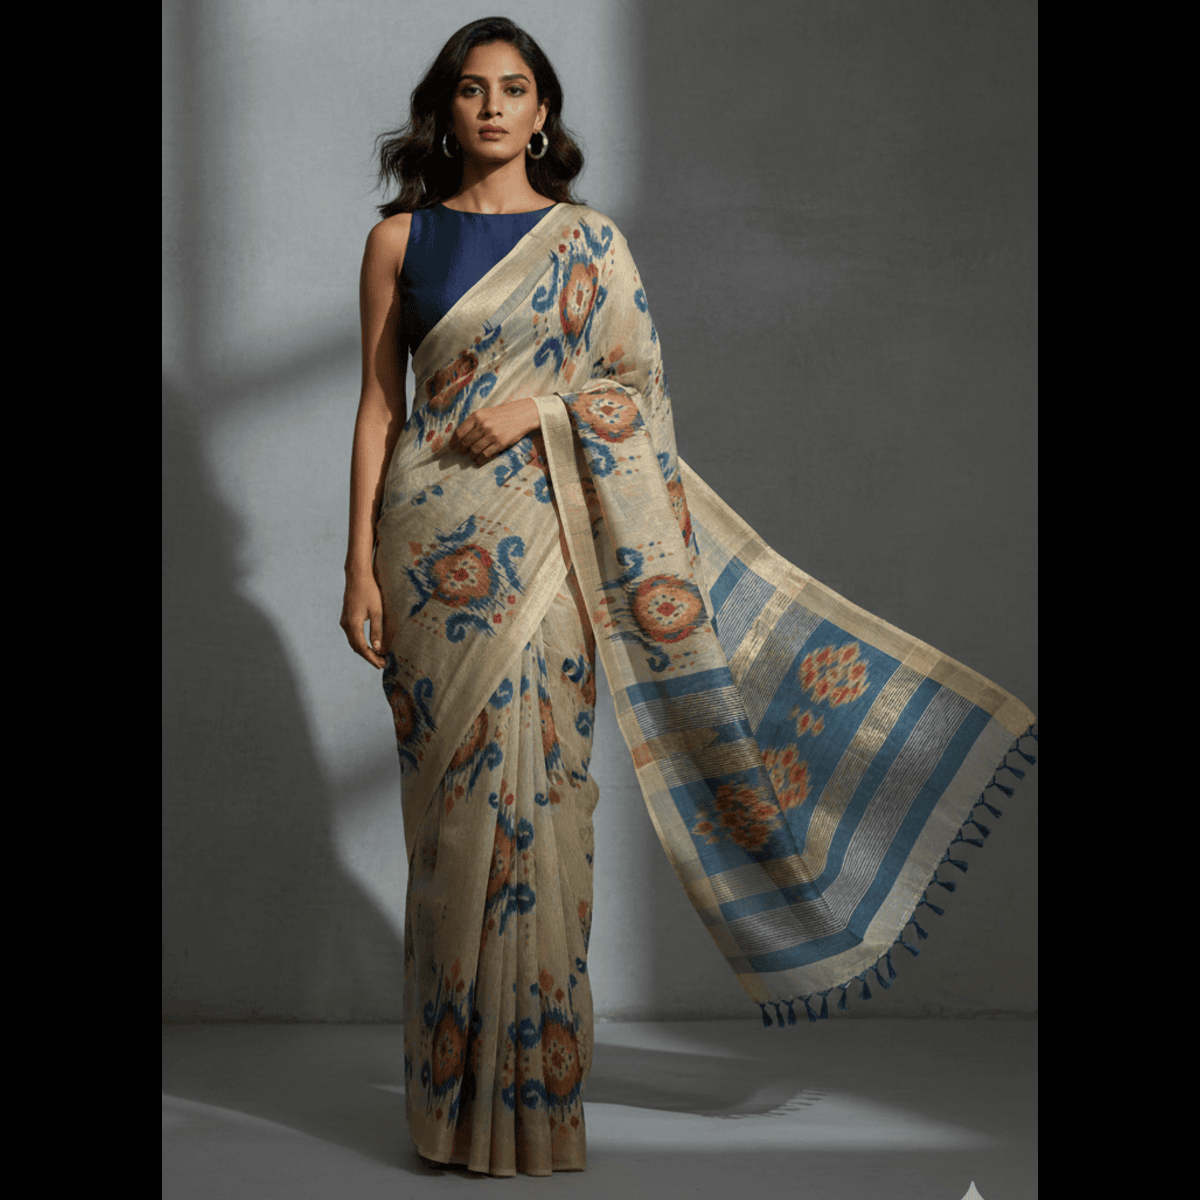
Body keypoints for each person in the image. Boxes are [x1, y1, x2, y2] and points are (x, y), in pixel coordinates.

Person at [341, 16, 1034, 1179]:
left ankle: (535, 1107)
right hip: (430, 560)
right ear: (444, 110)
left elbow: (643, 411)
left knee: (547, 813)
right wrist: (357, 565)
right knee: (451, 833)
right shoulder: (396, 242)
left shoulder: (594, 247)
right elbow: (378, 408)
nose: (495, 108)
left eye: (516, 89)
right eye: (472, 90)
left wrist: (543, 413)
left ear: (544, 112)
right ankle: (446, 1110)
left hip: (553, 551)